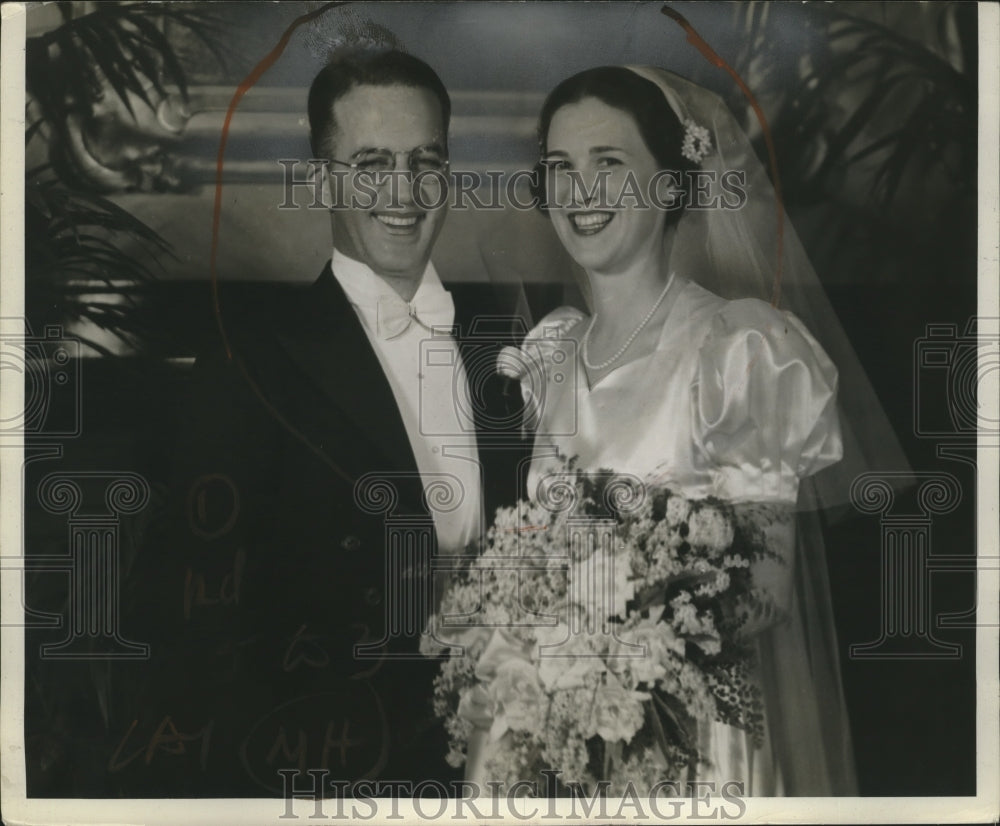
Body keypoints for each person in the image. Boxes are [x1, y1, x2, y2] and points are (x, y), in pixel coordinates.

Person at [119, 48, 526, 796]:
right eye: (370, 163)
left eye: (425, 160)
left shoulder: (506, 346)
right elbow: (192, 623)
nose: (402, 190)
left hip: (510, 763)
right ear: (320, 180)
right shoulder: (252, 362)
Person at [500, 66, 870, 795]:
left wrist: (621, 648)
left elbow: (768, 588)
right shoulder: (552, 351)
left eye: (610, 164)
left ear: (670, 185)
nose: (581, 192)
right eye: (561, 169)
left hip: (692, 745)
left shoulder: (739, 351)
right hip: (556, 733)